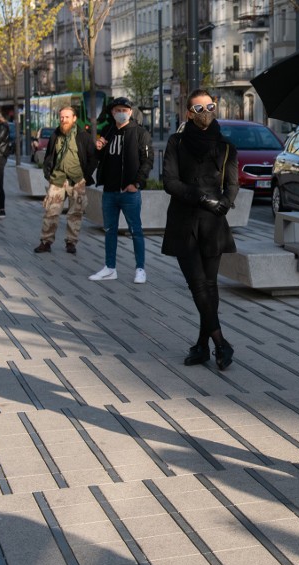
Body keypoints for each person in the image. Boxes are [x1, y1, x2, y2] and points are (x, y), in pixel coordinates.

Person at [162, 89, 238, 370]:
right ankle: (221, 343)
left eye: (209, 106)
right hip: (184, 221)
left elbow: (232, 183)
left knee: (210, 285)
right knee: (197, 285)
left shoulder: (226, 146)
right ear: (188, 113)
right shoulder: (176, 142)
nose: (205, 112)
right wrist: (202, 197)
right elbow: (169, 181)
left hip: (213, 223)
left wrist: (226, 203)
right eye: (198, 108)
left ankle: (203, 346)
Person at [89, 97, 153, 284]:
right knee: (110, 230)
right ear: (112, 113)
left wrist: (137, 183)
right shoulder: (107, 131)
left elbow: (147, 161)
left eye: (125, 109)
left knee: (136, 230)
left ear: (131, 112)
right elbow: (100, 158)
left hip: (129, 192)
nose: (121, 113)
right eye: (117, 110)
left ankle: (140, 269)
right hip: (109, 191)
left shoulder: (140, 133)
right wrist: (99, 149)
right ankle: (110, 268)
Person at [34, 106, 97, 254]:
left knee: (75, 213)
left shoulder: (83, 136)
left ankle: (71, 242)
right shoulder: (56, 134)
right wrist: (48, 174)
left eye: (67, 117)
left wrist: (86, 176)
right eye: (62, 117)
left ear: (74, 118)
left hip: (77, 180)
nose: (64, 120)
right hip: (57, 179)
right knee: (51, 211)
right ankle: (46, 242)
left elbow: (93, 157)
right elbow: (49, 155)